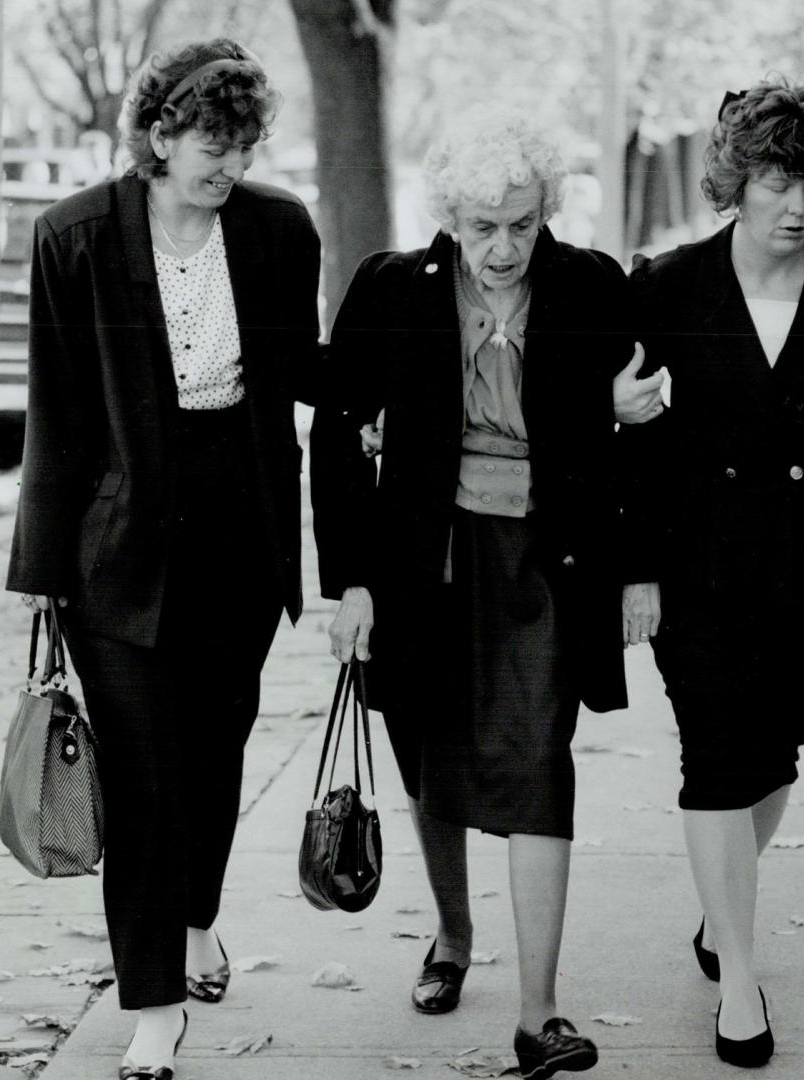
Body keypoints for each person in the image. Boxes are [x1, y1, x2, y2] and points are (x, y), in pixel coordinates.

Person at [5, 39, 320, 1079]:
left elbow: (300, 371)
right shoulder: (76, 238)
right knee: (142, 776)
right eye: (207, 144)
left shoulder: (277, 230)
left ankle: (196, 919)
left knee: (215, 747)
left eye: (239, 145)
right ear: (158, 135)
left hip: (240, 526)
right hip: (117, 542)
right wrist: (43, 575)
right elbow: (53, 412)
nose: (224, 165)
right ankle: (150, 1008)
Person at [311, 106, 633, 1080]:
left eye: (522, 225)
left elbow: (639, 427)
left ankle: (539, 1016)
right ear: (448, 213)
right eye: (482, 226)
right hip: (422, 570)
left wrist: (640, 561)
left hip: (544, 565)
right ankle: (452, 936)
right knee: (430, 760)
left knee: (538, 760)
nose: (502, 248)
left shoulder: (586, 287)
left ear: (547, 214)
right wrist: (351, 581)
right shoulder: (391, 289)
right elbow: (335, 430)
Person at [618, 79, 804, 1069]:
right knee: (714, 755)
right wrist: (619, 420)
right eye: (776, 181)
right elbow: (619, 442)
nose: (795, 205)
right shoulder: (661, 288)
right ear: (735, 181)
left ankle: (717, 911)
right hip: (690, 562)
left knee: (773, 758)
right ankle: (737, 979)